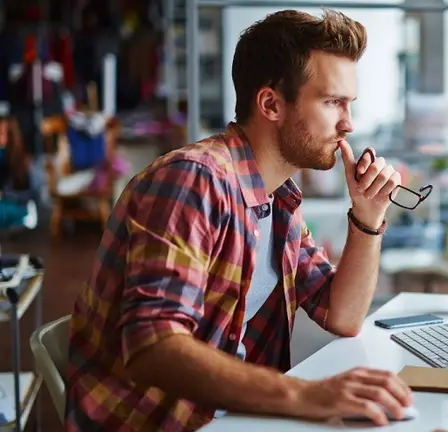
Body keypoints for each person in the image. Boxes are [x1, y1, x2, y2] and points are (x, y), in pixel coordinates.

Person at [65, 9, 413, 431]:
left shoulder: (276, 198)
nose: (348, 123)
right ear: (270, 103)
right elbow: (152, 344)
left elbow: (342, 315)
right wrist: (304, 394)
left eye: (348, 104)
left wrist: (367, 217)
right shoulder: (193, 180)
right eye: (331, 102)